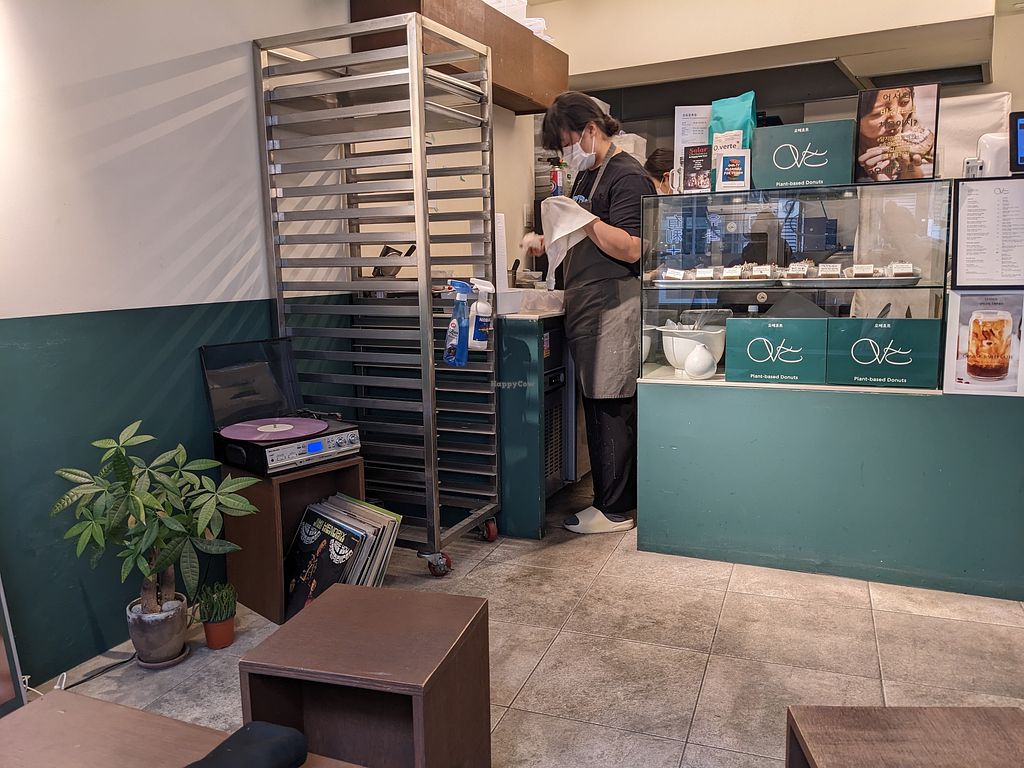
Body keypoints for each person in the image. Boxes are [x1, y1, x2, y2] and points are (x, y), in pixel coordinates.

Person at [523, 92, 655, 534]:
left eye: (567, 143)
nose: (566, 154)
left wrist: (584, 221)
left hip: (613, 303)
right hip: (587, 302)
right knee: (597, 403)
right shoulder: (586, 175)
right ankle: (612, 500)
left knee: (610, 403)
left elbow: (633, 248)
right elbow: (579, 234)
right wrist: (546, 241)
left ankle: (614, 510)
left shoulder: (627, 175)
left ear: (591, 130)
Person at [856, 86, 935, 182]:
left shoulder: (914, 130)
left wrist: (908, 168)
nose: (898, 120)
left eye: (905, 102)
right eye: (878, 113)